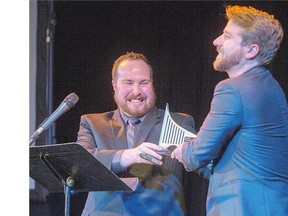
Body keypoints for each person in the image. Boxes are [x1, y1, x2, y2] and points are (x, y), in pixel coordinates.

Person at [171, 5, 288, 216]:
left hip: (244, 208)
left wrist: (181, 150)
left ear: (251, 50)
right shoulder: (270, 86)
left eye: (227, 36)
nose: (216, 41)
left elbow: (197, 154)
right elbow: (246, 163)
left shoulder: (232, 88)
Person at [76, 52, 197, 216]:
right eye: (128, 82)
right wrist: (127, 156)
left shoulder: (177, 123)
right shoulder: (92, 122)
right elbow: (81, 164)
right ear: (114, 85)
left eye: (144, 82)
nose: (136, 90)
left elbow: (200, 161)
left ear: (152, 84)